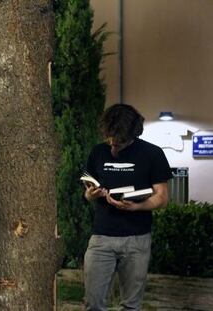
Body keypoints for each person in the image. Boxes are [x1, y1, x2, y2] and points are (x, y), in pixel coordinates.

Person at [83, 104, 172, 310]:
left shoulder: (153, 154)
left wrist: (135, 207)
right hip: (101, 239)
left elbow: (162, 198)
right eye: (110, 140)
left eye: (119, 143)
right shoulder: (98, 152)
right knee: (93, 303)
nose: (113, 146)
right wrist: (90, 194)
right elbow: (88, 191)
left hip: (136, 240)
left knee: (131, 306)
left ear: (133, 134)